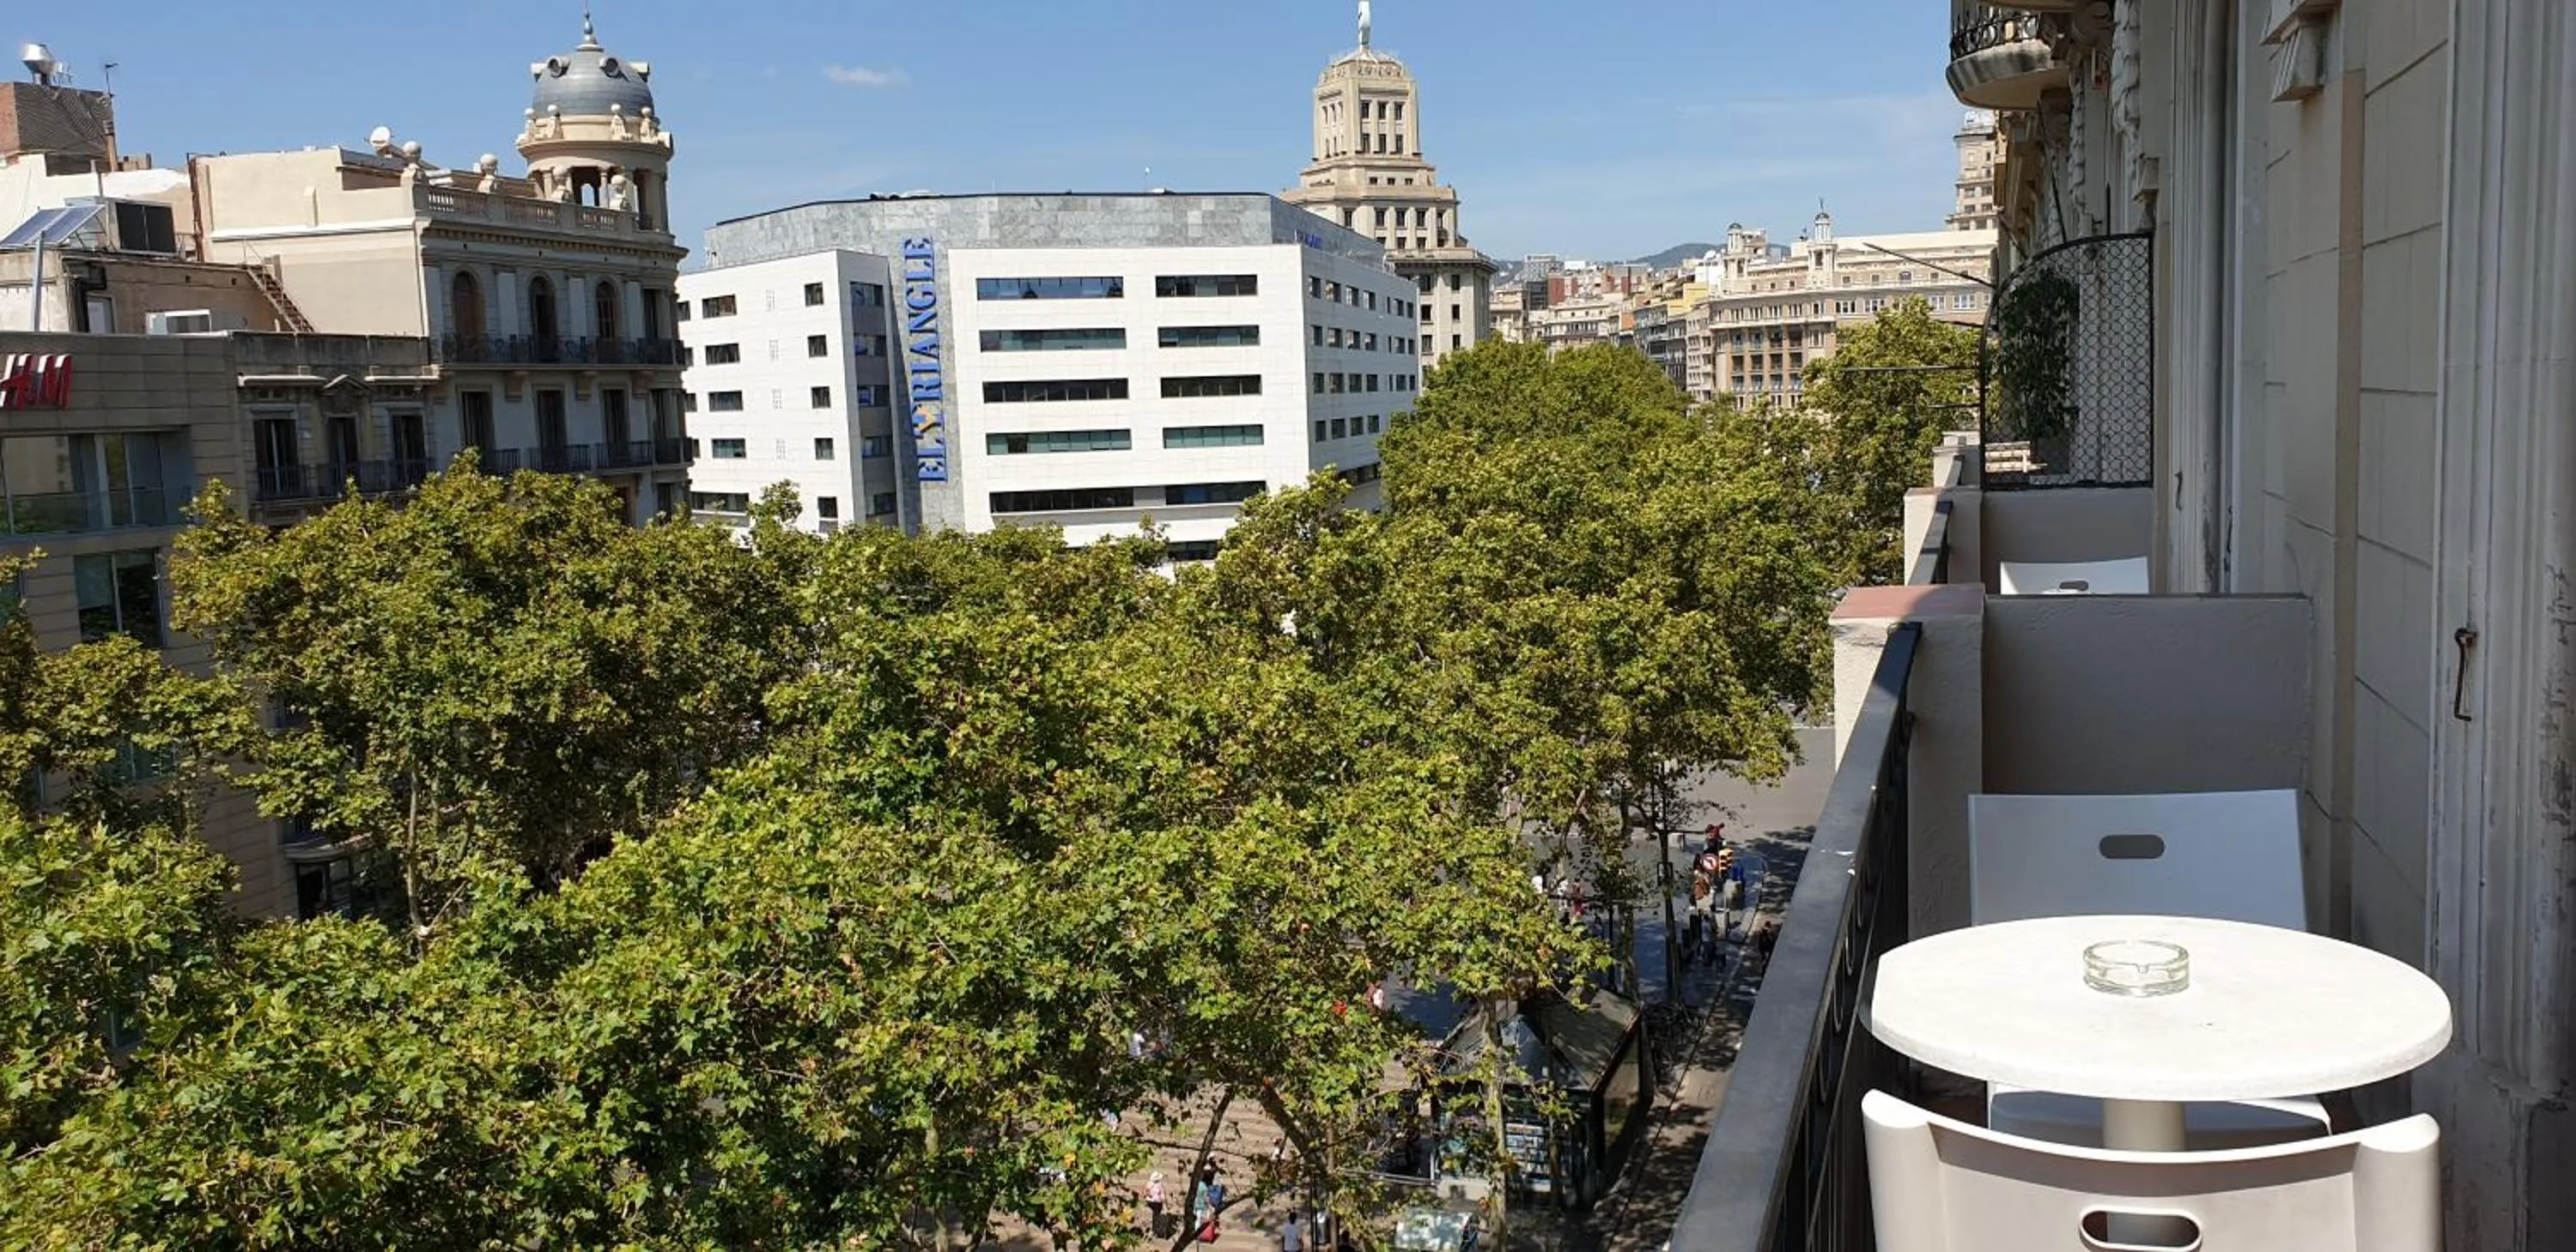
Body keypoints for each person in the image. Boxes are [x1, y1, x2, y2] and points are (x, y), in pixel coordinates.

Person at [1146, 1171, 1167, 1237]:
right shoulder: (1160, 1185)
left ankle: (1153, 1230)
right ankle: (1155, 1230)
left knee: (1154, 1215)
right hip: (1157, 1203)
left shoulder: (1149, 1184)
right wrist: (1165, 1204)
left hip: (1149, 1201)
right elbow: (1163, 1195)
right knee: (1156, 1216)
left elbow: (1147, 1192)